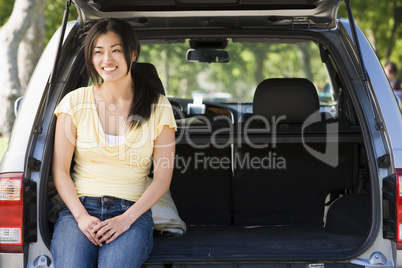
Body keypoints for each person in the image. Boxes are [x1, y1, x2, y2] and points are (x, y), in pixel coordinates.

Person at [50, 18, 177, 268]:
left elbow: (163, 176)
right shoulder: (74, 102)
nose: (106, 60)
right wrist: (81, 217)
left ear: (132, 53)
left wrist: (126, 219)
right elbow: (60, 171)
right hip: (80, 207)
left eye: (115, 50)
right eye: (98, 52)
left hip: (132, 210)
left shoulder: (159, 106)